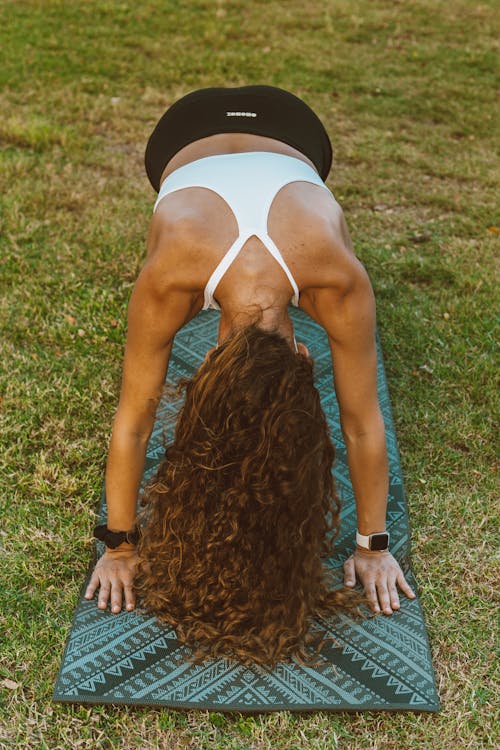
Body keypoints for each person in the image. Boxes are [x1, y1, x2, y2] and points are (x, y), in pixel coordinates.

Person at [85, 85, 415, 665]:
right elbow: (361, 421)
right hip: (227, 132)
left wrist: (121, 545)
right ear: (304, 354)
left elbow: (135, 418)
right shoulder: (330, 281)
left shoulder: (320, 277)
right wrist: (371, 544)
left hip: (269, 133)